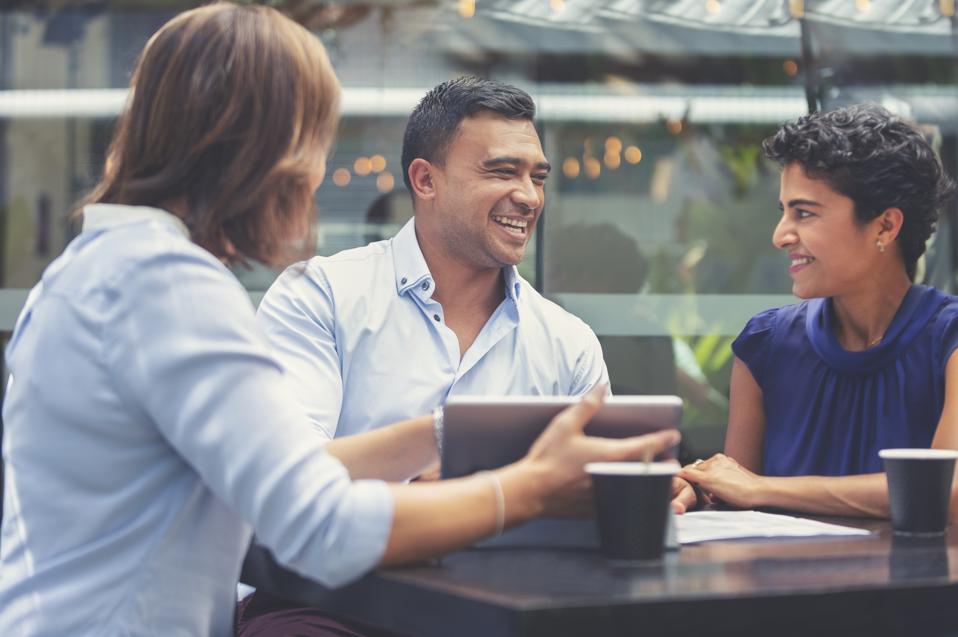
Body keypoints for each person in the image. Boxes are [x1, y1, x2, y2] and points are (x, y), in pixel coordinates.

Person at [0, 5, 681, 636]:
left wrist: (459, 432)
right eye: (316, 140)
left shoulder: (96, 269)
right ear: (258, 146)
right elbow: (315, 521)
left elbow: (284, 468)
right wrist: (527, 486)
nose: (320, 171)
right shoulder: (166, 286)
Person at [256, 76, 608, 447]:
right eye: (503, 171)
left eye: (537, 178)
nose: (530, 197)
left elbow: (596, 482)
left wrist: (660, 480)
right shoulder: (319, 298)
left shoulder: (568, 342)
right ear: (425, 180)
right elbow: (286, 475)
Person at [674, 104, 958, 518]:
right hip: (786, 583)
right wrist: (698, 489)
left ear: (885, 226)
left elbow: (947, 492)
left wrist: (763, 488)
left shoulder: (948, 339)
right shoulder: (765, 346)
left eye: (804, 213)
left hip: (916, 585)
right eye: (783, 211)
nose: (780, 235)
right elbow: (738, 497)